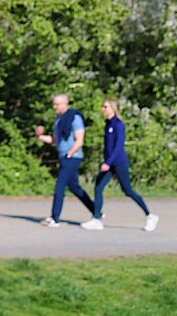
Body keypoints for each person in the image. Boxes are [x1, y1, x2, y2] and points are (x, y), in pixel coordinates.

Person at [83, 99, 158, 232]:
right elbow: (107, 146)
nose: (103, 109)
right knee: (98, 187)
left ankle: (150, 216)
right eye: (103, 106)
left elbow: (118, 146)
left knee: (128, 190)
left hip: (119, 162)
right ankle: (96, 219)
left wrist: (108, 162)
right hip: (109, 163)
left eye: (105, 106)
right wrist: (105, 160)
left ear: (112, 108)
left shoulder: (119, 124)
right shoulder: (107, 123)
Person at [34, 93, 95, 225]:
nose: (54, 106)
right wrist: (39, 136)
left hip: (72, 157)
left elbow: (79, 140)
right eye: (54, 104)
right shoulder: (58, 120)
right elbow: (54, 141)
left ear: (65, 104)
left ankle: (54, 218)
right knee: (75, 188)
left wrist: (70, 153)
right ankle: (97, 212)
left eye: (57, 104)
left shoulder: (75, 117)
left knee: (59, 185)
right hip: (63, 156)